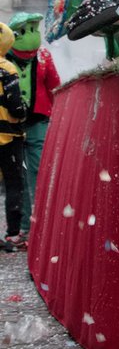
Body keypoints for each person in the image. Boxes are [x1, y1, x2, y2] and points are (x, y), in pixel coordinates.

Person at [7, 12, 61, 239]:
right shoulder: (4, 59)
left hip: (38, 121)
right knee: (16, 174)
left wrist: (56, 115)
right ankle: (26, 225)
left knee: (38, 172)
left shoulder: (44, 57)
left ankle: (41, 222)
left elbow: (54, 86)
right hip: (10, 125)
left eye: (33, 30)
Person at [0, 23, 27, 251]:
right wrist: (24, 112)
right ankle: (13, 234)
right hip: (7, 136)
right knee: (13, 184)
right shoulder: (6, 68)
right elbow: (15, 106)